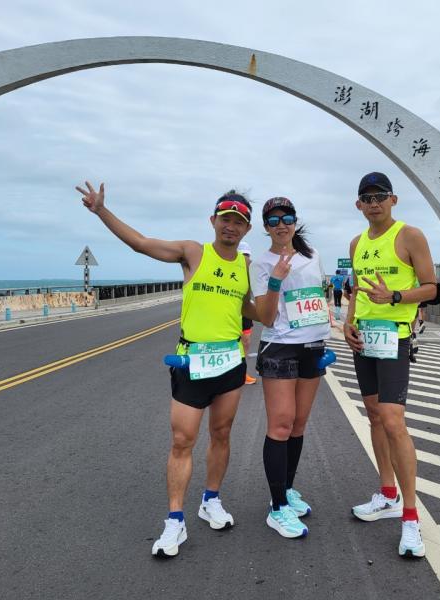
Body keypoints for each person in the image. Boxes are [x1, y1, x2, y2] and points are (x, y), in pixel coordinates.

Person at [75, 182, 255, 558]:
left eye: (238, 222)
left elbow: (251, 309)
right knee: (182, 441)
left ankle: (211, 500)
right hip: (192, 361)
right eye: (225, 218)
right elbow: (141, 243)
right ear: (213, 220)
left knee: (222, 434)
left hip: (229, 362)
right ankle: (175, 520)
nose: (231, 226)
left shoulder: (246, 266)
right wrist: (101, 211)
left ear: (247, 229)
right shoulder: (193, 252)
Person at [342, 172, 437, 558]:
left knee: (394, 421)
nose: (374, 203)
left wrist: (395, 295)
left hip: (394, 337)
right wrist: (348, 321)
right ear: (358, 205)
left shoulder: (410, 236)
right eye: (367, 198)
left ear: (393, 199)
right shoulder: (356, 243)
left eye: (380, 196)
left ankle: (411, 518)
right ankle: (387, 494)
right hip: (363, 338)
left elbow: (433, 288)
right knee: (374, 417)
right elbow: (356, 289)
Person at [250, 197, 330, 539]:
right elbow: (266, 317)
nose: (281, 224)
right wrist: (275, 280)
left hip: (313, 345)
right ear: (265, 227)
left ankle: (287, 489)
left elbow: (318, 296)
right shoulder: (261, 263)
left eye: (287, 218)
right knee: (281, 425)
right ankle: (277, 507)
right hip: (280, 346)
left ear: (295, 222)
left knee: (298, 424)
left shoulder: (312, 255)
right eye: (273, 220)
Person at [238, 240, 257, 385]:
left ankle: (242, 373)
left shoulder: (252, 269)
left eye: (246, 255)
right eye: (242, 255)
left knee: (246, 341)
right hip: (231, 311)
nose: (245, 258)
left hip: (245, 311)